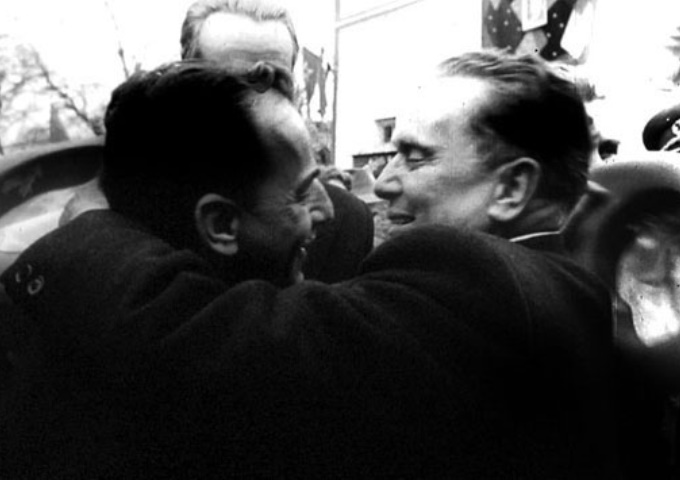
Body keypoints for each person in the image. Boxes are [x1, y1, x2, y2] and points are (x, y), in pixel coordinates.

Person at [1, 51, 621, 478]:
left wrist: (88, 222)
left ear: (511, 189)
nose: (382, 183)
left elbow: (226, 345)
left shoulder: (484, 283)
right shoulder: (557, 287)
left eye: (415, 157)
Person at [64, 0, 374, 283]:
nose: (255, 100)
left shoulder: (346, 223)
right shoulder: (116, 218)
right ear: (187, 79)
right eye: (233, 83)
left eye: (274, 84)